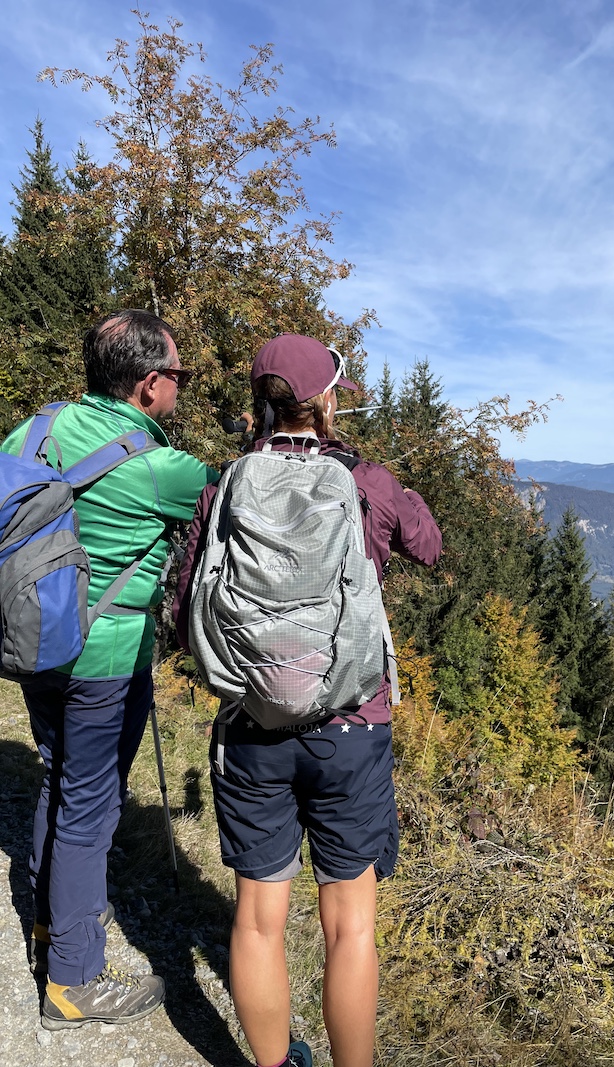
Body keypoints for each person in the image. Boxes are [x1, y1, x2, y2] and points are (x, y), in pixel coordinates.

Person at [173, 334, 442, 1067]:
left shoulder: (224, 483)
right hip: (352, 725)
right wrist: (388, 484)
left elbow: (183, 603)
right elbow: (430, 543)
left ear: (261, 402)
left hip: (252, 723)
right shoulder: (366, 481)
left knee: (259, 919)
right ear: (327, 400)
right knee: (350, 924)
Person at [0, 309, 219, 1031]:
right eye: (180, 375)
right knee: (91, 805)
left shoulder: (36, 430)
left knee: (60, 773)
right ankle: (73, 980)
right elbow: (241, 499)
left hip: (35, 641)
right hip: (105, 662)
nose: (182, 386)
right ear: (150, 382)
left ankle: (46, 924)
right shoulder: (163, 468)